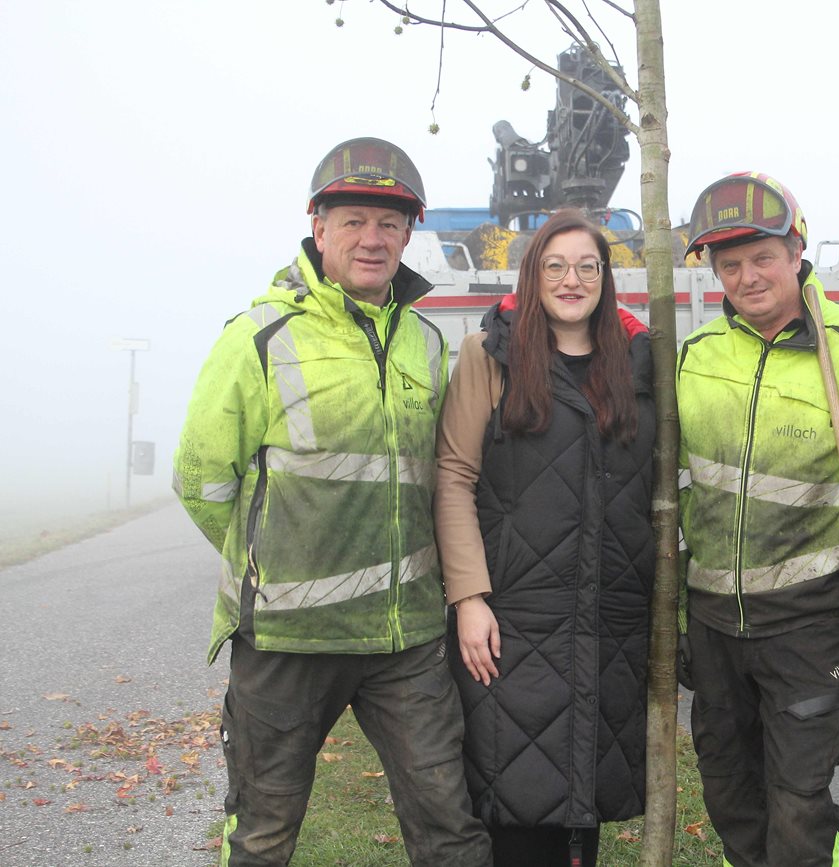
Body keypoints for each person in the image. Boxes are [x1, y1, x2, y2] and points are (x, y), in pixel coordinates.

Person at [173, 137, 491, 867]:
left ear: (407, 235)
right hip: (288, 641)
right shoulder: (259, 336)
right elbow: (202, 482)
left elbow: (436, 475)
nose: (371, 239)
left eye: (389, 223)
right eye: (353, 221)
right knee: (263, 833)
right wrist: (272, 564)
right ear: (318, 228)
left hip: (405, 642)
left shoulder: (425, 342)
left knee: (451, 828)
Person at [674, 172, 839, 867]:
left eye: (763, 257)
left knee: (798, 808)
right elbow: (672, 494)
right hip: (712, 625)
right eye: (729, 264)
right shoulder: (696, 357)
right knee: (731, 799)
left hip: (806, 623)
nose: (747, 277)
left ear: (797, 252)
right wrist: (673, 613)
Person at [434, 210, 656, 867]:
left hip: (608, 622)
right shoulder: (490, 356)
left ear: (606, 277)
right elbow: (454, 476)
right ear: (532, 276)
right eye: (555, 266)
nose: (571, 280)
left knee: (584, 808)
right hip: (514, 622)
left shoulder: (639, 364)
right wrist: (469, 597)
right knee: (517, 803)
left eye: (588, 266)